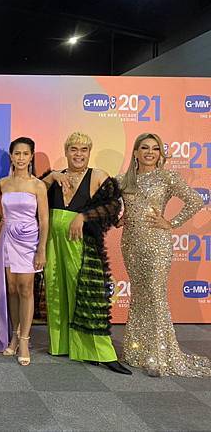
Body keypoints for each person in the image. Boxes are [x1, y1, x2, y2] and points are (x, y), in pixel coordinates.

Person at [117, 133, 210, 377]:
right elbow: (107, 205)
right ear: (135, 152)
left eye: (155, 148)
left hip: (158, 244)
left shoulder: (167, 177)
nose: (150, 152)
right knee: (139, 295)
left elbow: (195, 200)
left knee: (156, 296)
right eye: (144, 148)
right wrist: (116, 218)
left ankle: (159, 357)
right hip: (131, 245)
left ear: (160, 154)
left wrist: (172, 223)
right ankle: (136, 351)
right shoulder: (123, 181)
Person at [41, 132, 131, 374]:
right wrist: (51, 176)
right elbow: (33, 193)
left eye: (83, 149)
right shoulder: (56, 177)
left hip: (80, 243)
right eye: (73, 149)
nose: (78, 154)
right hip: (52, 242)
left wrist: (83, 216)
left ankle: (101, 352)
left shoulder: (98, 176)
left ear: (89, 152)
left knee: (87, 296)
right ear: (66, 151)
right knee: (56, 291)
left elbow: (113, 205)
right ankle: (63, 345)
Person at [0, 137, 47, 367]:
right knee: (11, 288)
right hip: (8, 239)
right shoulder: (3, 183)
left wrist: (41, 249)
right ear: (11, 156)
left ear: (31, 157)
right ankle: (13, 335)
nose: (21, 158)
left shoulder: (38, 185)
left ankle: (24, 341)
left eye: (25, 154)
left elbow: (44, 220)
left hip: (29, 241)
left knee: (26, 288)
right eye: (17, 153)